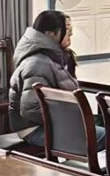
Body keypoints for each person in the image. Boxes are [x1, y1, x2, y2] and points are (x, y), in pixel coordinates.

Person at [8, 10, 105, 149]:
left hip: (52, 122)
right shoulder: (38, 63)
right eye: (67, 29)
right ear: (50, 34)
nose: (71, 34)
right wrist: (69, 120)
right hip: (36, 129)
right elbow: (31, 110)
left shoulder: (52, 56)